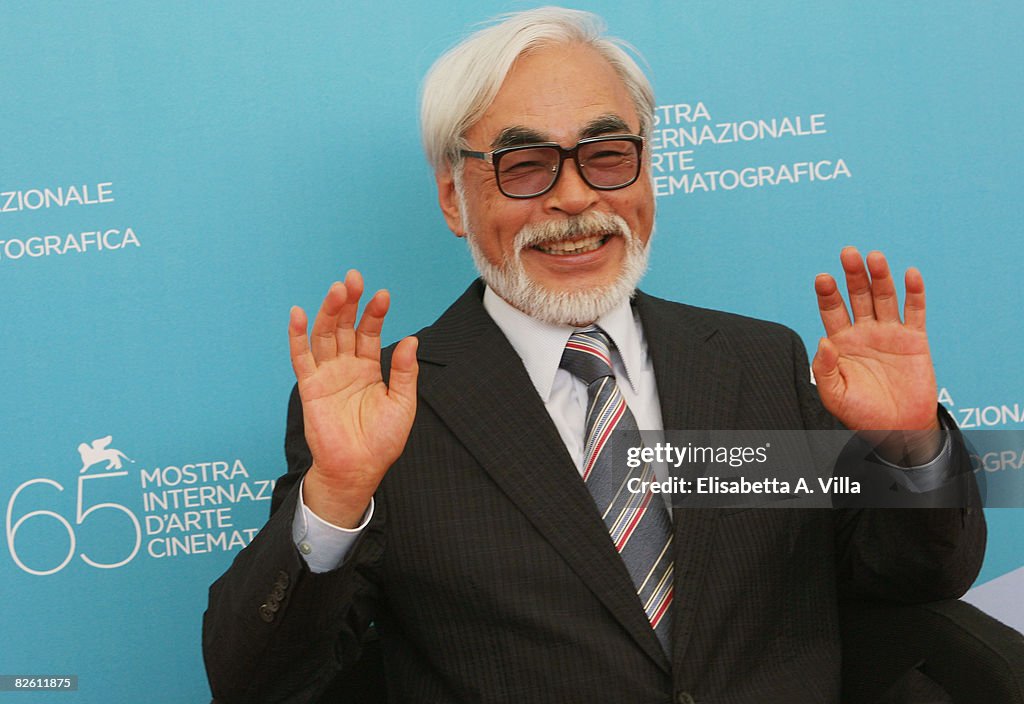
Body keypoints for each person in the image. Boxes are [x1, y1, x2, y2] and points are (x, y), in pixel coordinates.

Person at [203, 7, 984, 703]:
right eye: (525, 165)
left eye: (606, 154)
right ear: (453, 198)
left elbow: (917, 579)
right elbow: (258, 681)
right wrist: (336, 494)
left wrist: (908, 449)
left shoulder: (760, 362)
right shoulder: (386, 411)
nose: (575, 199)